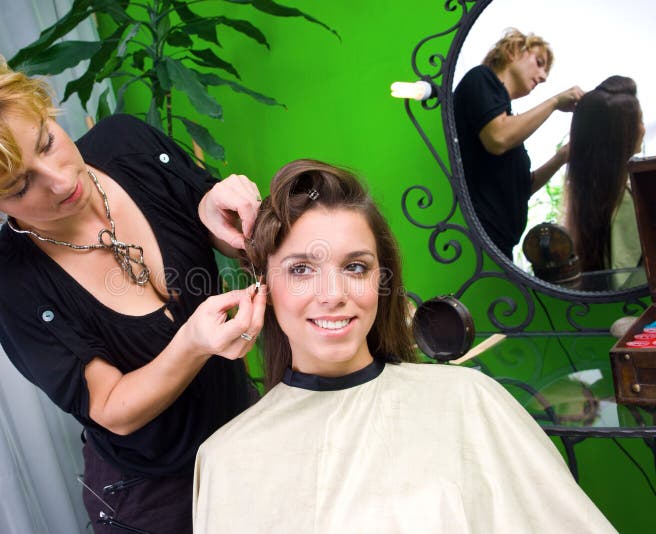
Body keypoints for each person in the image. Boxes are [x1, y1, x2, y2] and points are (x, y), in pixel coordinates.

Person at [0, 51, 267, 534]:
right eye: (20, 187)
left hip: (244, 430)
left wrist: (218, 209)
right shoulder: (12, 289)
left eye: (47, 141)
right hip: (156, 497)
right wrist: (192, 344)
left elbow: (208, 221)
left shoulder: (128, 143)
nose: (62, 180)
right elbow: (112, 408)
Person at [193, 159, 615, 533]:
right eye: (301, 269)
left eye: (355, 266)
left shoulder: (467, 401)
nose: (333, 294)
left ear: (381, 280)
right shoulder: (226, 460)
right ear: (263, 286)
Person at [454, 28, 584, 258]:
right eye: (539, 62)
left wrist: (562, 156)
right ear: (514, 50)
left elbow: (523, 187)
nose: (543, 77)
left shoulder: (507, 117)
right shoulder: (481, 79)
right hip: (480, 241)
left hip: (500, 245)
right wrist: (554, 102)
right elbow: (498, 138)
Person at [564, 75, 645, 273]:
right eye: (639, 122)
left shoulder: (587, 197)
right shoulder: (629, 200)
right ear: (619, 137)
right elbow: (623, 279)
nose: (643, 129)